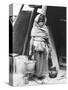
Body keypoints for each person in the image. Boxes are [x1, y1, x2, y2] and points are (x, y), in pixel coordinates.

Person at [29, 14, 51, 83]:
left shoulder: (45, 28)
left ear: (44, 22)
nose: (41, 23)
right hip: (36, 48)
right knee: (37, 62)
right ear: (37, 21)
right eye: (40, 21)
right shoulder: (34, 28)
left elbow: (47, 39)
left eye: (42, 21)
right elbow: (31, 40)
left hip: (43, 47)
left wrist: (49, 47)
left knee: (43, 62)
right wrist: (30, 50)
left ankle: (41, 76)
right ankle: (36, 76)